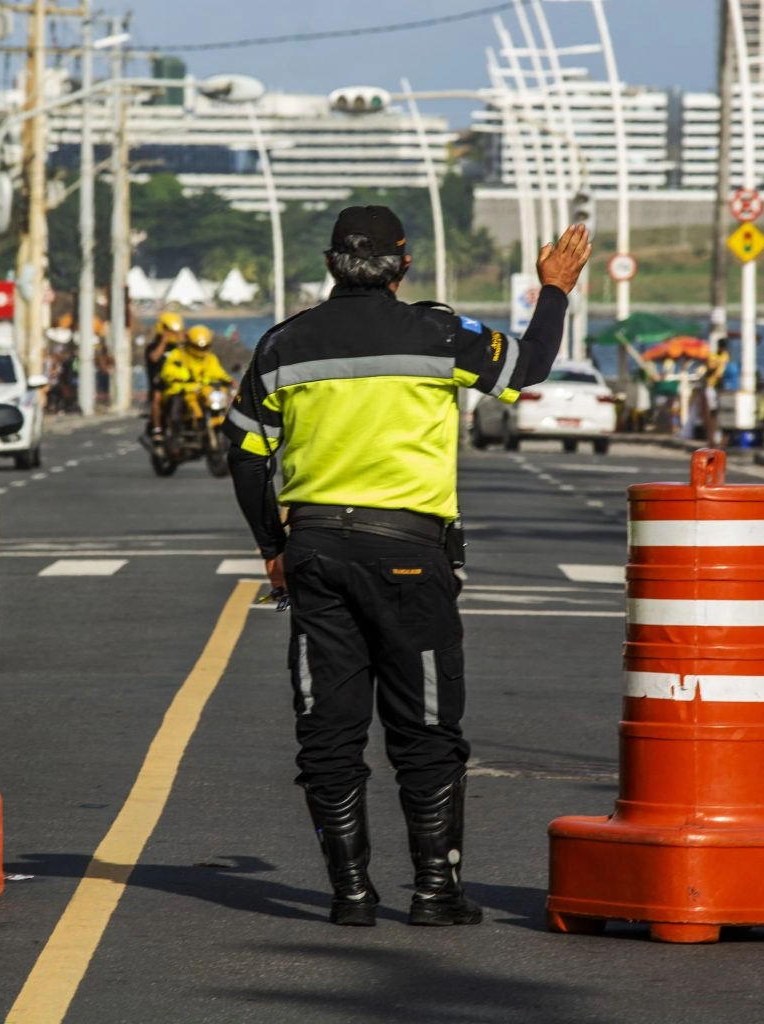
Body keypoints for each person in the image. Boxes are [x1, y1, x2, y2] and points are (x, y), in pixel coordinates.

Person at [223, 205, 590, 928]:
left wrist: (273, 547)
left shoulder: (282, 345)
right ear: (404, 267)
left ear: (330, 264)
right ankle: (434, 890)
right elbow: (532, 365)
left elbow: (244, 457)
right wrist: (555, 288)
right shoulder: (441, 334)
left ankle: (350, 894)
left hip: (317, 553)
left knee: (329, 731)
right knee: (424, 728)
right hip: (411, 558)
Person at [159, 324, 233, 427]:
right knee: (176, 413)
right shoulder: (178, 354)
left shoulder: (210, 358)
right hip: (182, 391)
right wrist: (181, 376)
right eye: (197, 347)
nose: (201, 350)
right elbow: (167, 371)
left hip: (204, 392)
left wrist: (229, 380)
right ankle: (174, 437)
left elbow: (219, 372)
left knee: (223, 408)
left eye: (204, 347)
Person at [146, 312, 187, 448]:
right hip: (161, 385)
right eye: (170, 331)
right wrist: (164, 341)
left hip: (179, 385)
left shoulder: (180, 349)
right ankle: (157, 429)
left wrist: (183, 341)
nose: (173, 334)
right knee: (157, 398)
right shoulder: (153, 347)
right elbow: (154, 358)